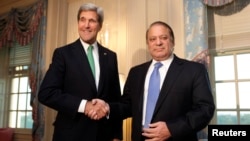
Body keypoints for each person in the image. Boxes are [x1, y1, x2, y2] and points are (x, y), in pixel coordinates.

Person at [88, 21, 215, 141]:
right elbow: (127, 106)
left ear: (172, 41)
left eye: (163, 38)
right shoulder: (136, 72)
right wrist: (107, 106)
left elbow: (205, 109)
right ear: (148, 44)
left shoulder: (193, 70)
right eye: (152, 39)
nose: (158, 43)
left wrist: (171, 129)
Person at [38, 3, 122, 141]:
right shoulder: (63, 54)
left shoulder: (111, 56)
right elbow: (46, 93)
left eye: (92, 21)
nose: (86, 25)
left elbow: (116, 99)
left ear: (100, 25)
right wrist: (84, 105)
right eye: (82, 20)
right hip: (71, 135)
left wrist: (117, 136)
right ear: (78, 23)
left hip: (104, 135)